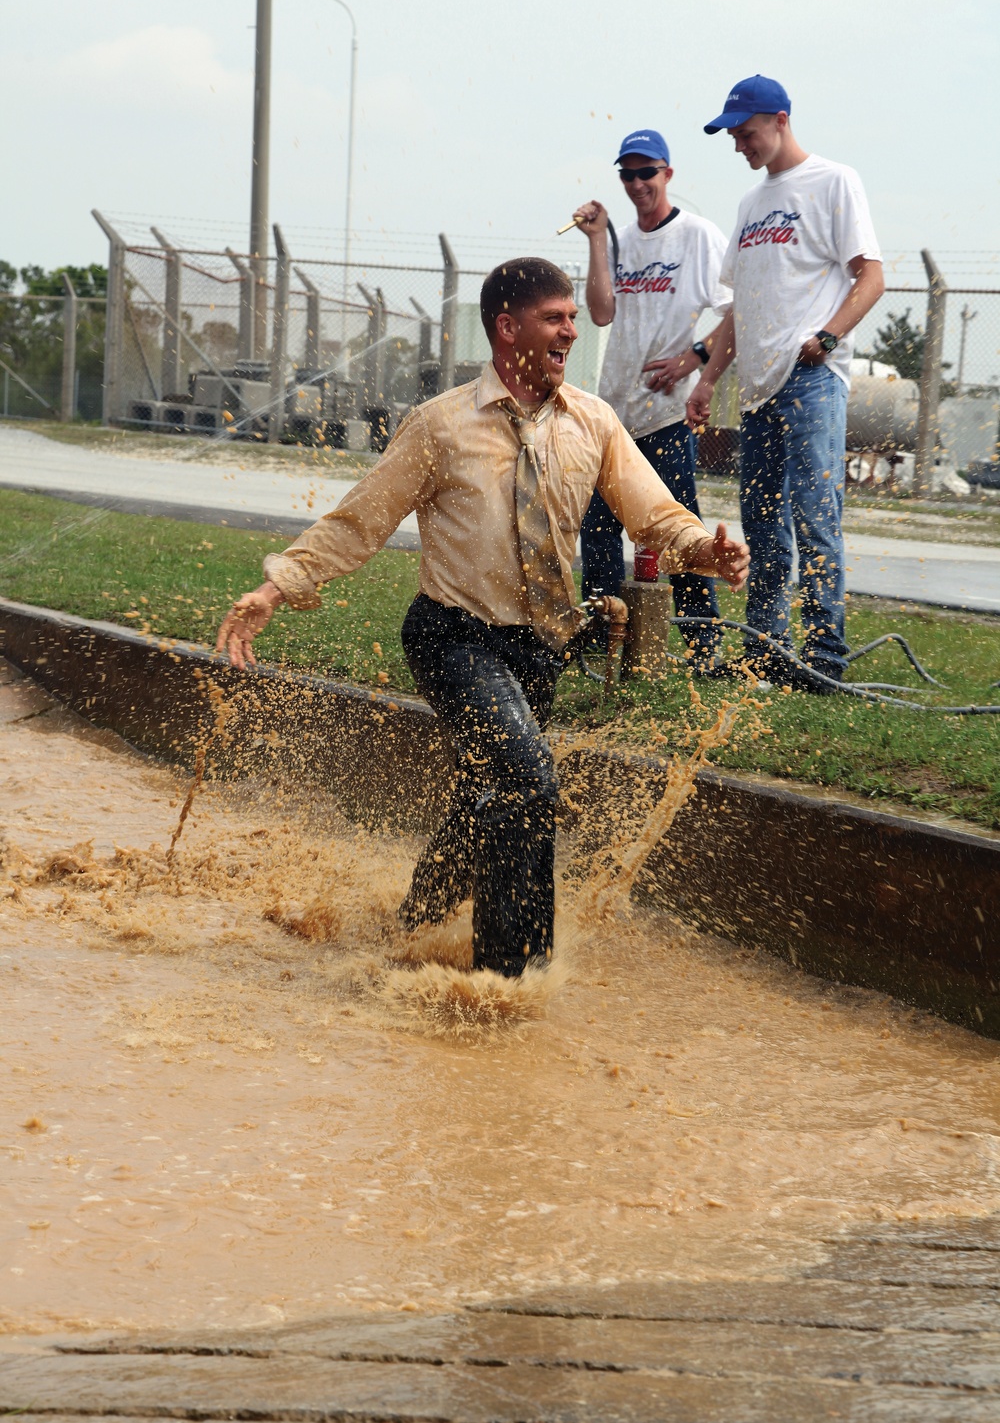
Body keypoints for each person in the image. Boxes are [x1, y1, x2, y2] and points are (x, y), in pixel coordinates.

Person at [216, 259, 748, 978]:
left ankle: (416, 925)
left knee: (489, 795)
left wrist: (702, 551)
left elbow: (653, 515)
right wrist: (275, 588)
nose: (571, 330)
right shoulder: (440, 426)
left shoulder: (592, 422)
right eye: (555, 318)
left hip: (539, 646)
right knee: (527, 777)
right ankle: (511, 977)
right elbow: (360, 520)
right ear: (507, 328)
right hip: (452, 636)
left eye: (571, 318)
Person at [687, 76, 884, 690]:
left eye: (746, 133)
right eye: (733, 136)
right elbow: (738, 309)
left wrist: (826, 338)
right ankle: (767, 650)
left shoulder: (833, 181)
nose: (740, 145)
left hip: (811, 382)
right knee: (764, 522)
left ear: (779, 120)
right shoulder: (750, 205)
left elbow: (871, 276)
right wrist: (707, 379)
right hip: (758, 389)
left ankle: (825, 657)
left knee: (815, 516)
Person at [572, 128, 733, 669]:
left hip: (664, 417)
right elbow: (600, 312)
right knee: (596, 530)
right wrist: (597, 239)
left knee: (679, 532)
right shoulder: (621, 241)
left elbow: (736, 312)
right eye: (628, 174)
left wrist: (694, 360)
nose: (638, 183)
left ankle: (701, 645)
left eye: (648, 172)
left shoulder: (698, 235)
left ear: (668, 174)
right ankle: (601, 635)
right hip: (613, 413)